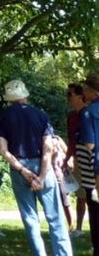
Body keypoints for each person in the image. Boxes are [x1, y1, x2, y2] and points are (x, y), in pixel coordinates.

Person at [0, 79, 73, 256]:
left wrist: (23, 170)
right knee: (56, 218)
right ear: (25, 96)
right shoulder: (40, 115)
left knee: (30, 220)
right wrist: (42, 176)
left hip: (19, 169)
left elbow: (3, 150)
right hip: (42, 166)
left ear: (9, 98)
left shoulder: (2, 117)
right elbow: (48, 147)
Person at [79, 72, 99, 256]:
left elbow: (90, 144)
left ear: (94, 92)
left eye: (85, 89)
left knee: (96, 211)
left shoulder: (87, 113)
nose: (83, 92)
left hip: (97, 168)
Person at [66, 83, 88, 237]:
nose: (68, 97)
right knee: (81, 194)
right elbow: (71, 139)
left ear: (81, 96)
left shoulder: (90, 113)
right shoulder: (71, 116)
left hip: (92, 158)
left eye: (70, 94)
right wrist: (67, 157)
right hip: (78, 160)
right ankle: (79, 228)